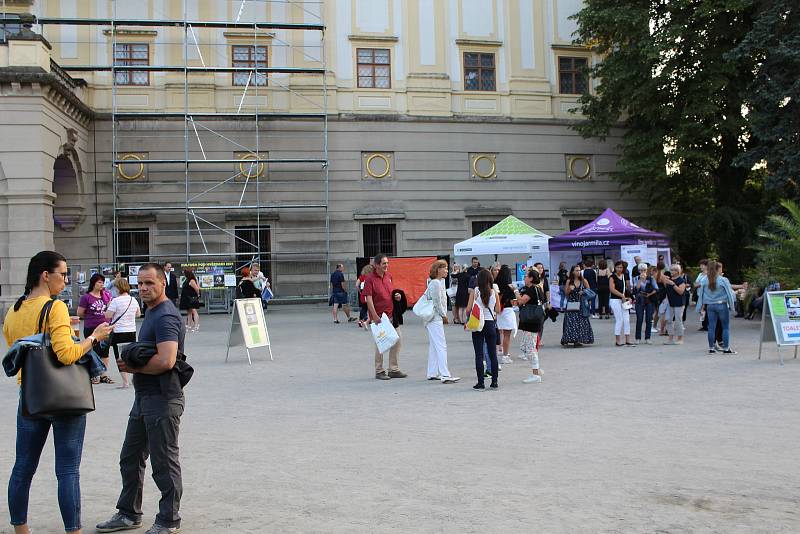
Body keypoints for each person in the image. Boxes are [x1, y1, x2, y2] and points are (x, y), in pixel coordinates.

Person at [3, 251, 112, 534]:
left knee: (22, 468)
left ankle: (20, 529)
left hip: (30, 396)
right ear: (45, 275)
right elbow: (66, 355)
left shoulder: (14, 310)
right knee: (67, 471)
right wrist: (93, 338)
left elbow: (20, 347)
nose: (65, 279)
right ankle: (73, 531)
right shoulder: (55, 308)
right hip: (64, 398)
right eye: (62, 274)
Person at [96, 263, 186, 534]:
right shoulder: (151, 312)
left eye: (150, 283)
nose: (144, 288)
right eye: (141, 284)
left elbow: (167, 360)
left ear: (162, 283)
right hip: (145, 398)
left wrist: (133, 368)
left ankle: (169, 521)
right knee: (131, 456)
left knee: (163, 462)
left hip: (163, 398)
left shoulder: (166, 316)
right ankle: (128, 514)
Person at [363, 254, 407, 380]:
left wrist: (396, 296)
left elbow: (390, 293)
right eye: (384, 263)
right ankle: (379, 370)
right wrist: (374, 316)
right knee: (381, 343)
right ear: (376, 265)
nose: (386, 265)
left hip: (391, 314)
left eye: (387, 263)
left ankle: (393, 369)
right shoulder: (370, 279)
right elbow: (369, 299)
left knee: (397, 340)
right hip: (380, 317)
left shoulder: (389, 276)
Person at [422, 260, 460, 383]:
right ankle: (445, 374)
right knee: (441, 346)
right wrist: (444, 315)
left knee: (434, 346)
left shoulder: (437, 282)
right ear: (438, 270)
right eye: (444, 268)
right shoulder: (436, 283)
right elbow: (437, 302)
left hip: (432, 318)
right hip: (435, 318)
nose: (446, 270)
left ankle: (432, 372)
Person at [466, 269, 501, 390]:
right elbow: (498, 310)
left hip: (478, 324)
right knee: (492, 354)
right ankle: (494, 381)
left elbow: (468, 309)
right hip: (490, 324)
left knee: (479, 354)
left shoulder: (475, 291)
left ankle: (480, 382)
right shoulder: (494, 292)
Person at [105, 278, 142, 389]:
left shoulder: (115, 301)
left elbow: (108, 315)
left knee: (120, 357)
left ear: (118, 288)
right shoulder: (133, 300)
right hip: (131, 330)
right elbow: (138, 314)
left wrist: (108, 306)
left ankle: (125, 382)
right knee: (131, 355)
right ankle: (133, 378)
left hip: (119, 331)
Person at [79, 272, 114, 384]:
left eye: (103, 282)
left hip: (105, 327)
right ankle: (94, 374)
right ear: (94, 283)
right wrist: (92, 317)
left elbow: (110, 309)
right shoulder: (86, 297)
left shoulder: (106, 295)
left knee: (104, 351)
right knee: (93, 351)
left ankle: (103, 375)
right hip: (92, 327)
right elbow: (80, 313)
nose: (102, 284)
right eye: (99, 282)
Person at [696, 260, 737, 354]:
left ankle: (711, 348)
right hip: (721, 305)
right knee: (725, 327)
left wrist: (700, 306)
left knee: (711, 327)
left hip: (710, 305)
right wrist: (732, 305)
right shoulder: (723, 280)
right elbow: (730, 294)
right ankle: (726, 349)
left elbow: (701, 293)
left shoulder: (704, 280)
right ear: (718, 269)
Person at [514, 268, 545, 383]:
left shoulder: (532, 289)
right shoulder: (538, 288)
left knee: (530, 348)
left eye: (526, 276)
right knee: (526, 346)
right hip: (533, 321)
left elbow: (521, 301)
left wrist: (515, 291)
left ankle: (535, 373)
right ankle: (537, 368)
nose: (524, 278)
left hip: (531, 322)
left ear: (531, 278)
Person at [561, 265, 594, 347]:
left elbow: (589, 292)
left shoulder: (584, 281)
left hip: (581, 303)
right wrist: (570, 289)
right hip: (572, 303)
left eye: (579, 270)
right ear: (573, 272)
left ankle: (579, 340)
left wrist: (583, 292)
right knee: (571, 322)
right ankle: (571, 339)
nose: (578, 272)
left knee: (581, 322)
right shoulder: (569, 281)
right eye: (576, 270)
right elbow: (566, 293)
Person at [495, 265, 517, 364]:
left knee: (500, 332)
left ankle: (500, 351)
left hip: (499, 310)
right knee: (507, 335)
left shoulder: (496, 284)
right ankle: (505, 355)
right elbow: (514, 301)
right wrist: (515, 290)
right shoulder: (509, 286)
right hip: (507, 310)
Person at [609, 260, 634, 347]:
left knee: (627, 320)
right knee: (619, 320)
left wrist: (629, 297)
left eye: (621, 267)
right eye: (618, 267)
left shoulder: (624, 276)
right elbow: (612, 289)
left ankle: (628, 339)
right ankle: (618, 340)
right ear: (615, 268)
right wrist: (621, 296)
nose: (619, 269)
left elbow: (626, 288)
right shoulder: (612, 277)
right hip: (615, 300)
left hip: (624, 300)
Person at [632, 263, 657, 345]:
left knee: (649, 319)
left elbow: (656, 289)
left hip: (649, 300)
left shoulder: (651, 278)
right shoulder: (636, 278)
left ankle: (648, 338)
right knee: (639, 318)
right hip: (639, 300)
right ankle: (638, 338)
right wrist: (640, 280)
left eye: (644, 270)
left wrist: (649, 294)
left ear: (647, 270)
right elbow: (636, 288)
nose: (643, 272)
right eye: (641, 270)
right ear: (638, 271)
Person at [663, 264, 688, 345]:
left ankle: (680, 338)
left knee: (678, 321)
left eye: (673, 270)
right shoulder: (669, 279)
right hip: (670, 303)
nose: (671, 272)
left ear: (677, 271)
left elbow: (681, 292)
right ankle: (670, 338)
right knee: (669, 320)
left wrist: (673, 284)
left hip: (679, 303)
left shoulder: (681, 280)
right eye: (671, 270)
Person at [356, 264, 373, 328]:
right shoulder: (372, 277)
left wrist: (360, 291)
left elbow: (356, 285)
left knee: (364, 308)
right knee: (371, 308)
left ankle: (360, 320)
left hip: (363, 294)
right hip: (370, 294)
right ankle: (370, 320)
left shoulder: (362, 276)